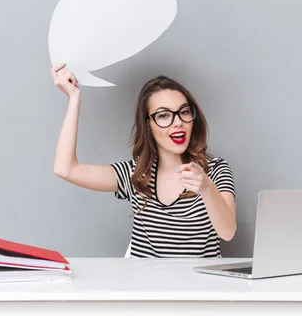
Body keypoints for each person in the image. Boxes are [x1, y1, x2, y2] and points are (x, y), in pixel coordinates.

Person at [51, 63, 236, 258]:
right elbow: (65, 169)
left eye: (184, 112)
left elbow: (227, 231)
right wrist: (74, 98)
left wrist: (207, 188)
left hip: (201, 287)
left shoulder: (215, 170)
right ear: (148, 126)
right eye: (163, 115)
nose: (178, 122)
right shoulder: (136, 174)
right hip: (146, 287)